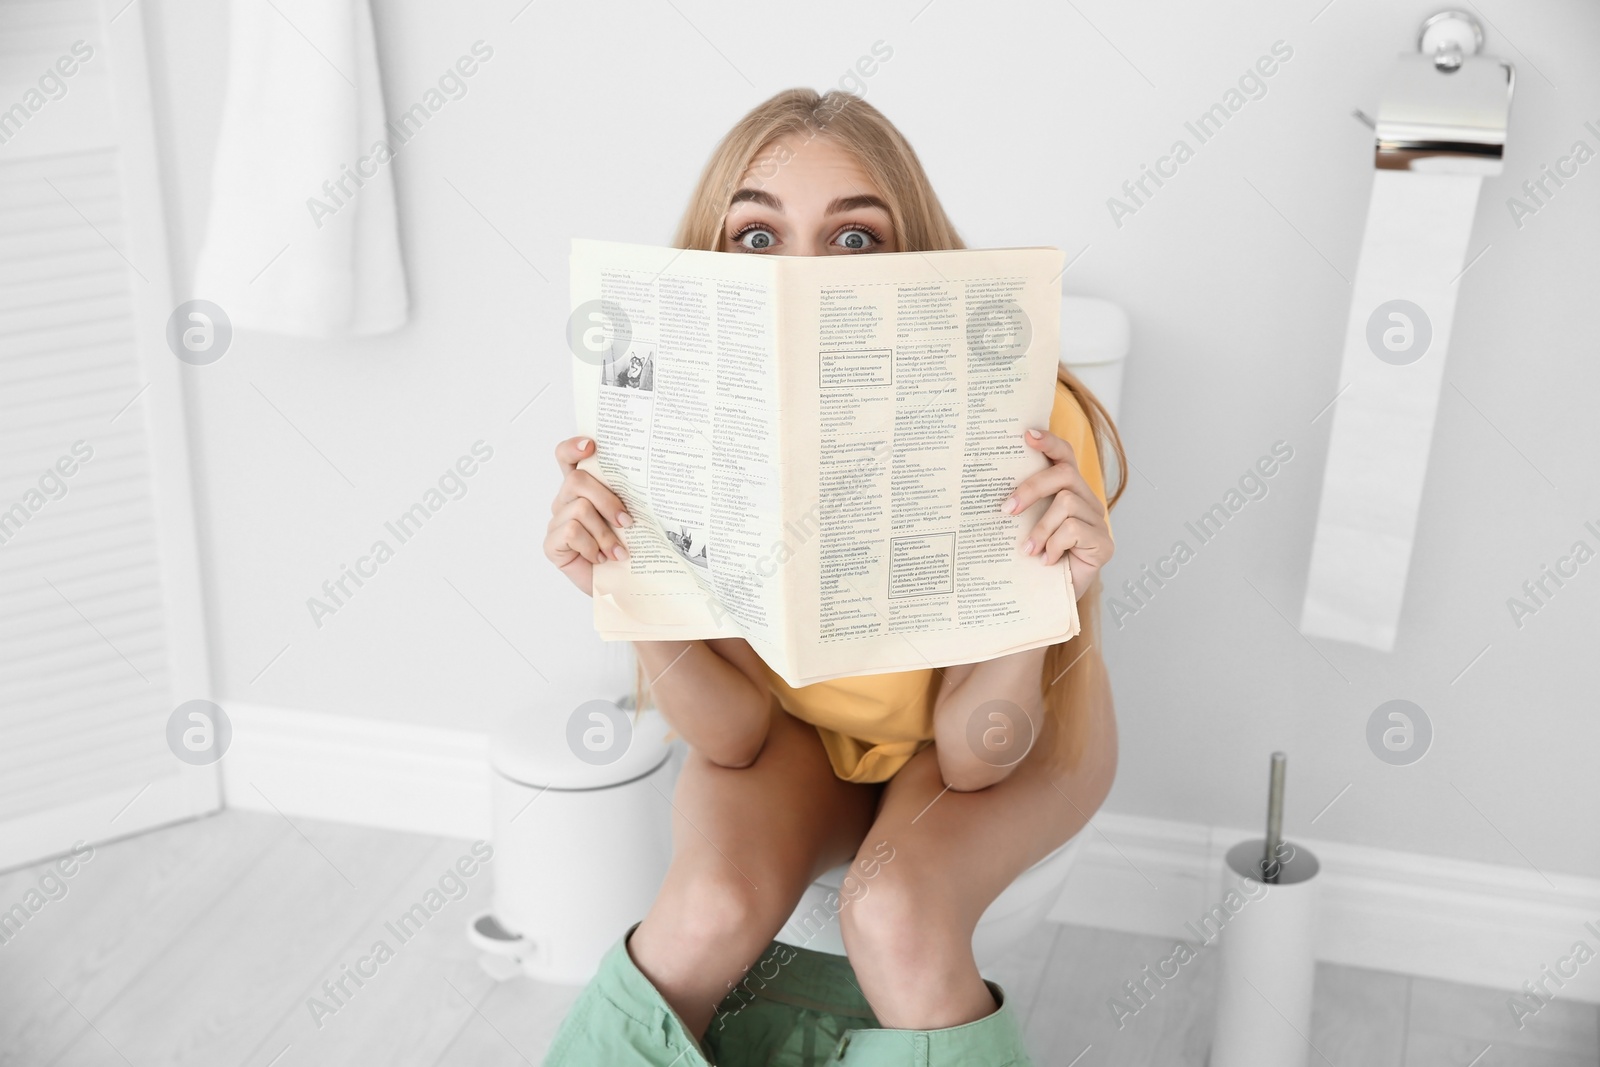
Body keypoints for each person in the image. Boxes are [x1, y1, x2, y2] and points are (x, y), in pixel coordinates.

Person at [542, 88, 1125, 1066]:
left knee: (895, 909)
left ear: (910, 257)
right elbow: (731, 735)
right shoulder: (672, 420)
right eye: (758, 238)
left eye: (852, 240)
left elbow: (977, 754)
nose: (801, 276)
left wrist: (1035, 601)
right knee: (705, 909)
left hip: (1004, 730)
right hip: (790, 727)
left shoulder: (1031, 418)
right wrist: (624, 583)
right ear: (713, 260)